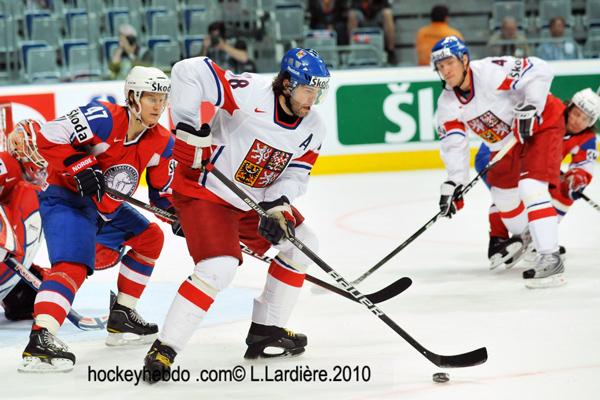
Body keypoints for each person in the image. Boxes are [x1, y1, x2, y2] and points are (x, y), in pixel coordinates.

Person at [142, 48, 330, 382]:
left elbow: (294, 174)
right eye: (306, 89)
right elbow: (188, 70)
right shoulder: (250, 92)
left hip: (252, 201)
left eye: (317, 91)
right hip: (206, 192)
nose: (311, 99)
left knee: (303, 244)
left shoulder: (314, 127)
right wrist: (188, 126)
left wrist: (278, 208)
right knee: (219, 267)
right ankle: (165, 348)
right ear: (287, 83)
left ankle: (267, 331)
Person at [19, 66, 177, 373]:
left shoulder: (161, 140)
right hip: (67, 198)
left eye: (162, 99)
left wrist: (177, 215)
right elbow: (48, 135)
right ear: (133, 98)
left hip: (107, 210)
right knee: (72, 266)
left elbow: (160, 195)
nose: (158, 106)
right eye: (151, 98)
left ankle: (123, 316)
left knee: (150, 237)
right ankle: (41, 337)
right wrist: (80, 165)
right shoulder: (103, 118)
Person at [431, 36, 566, 289]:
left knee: (531, 187)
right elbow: (454, 144)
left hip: (541, 124)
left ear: (464, 59)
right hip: (505, 145)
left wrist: (531, 106)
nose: (445, 71)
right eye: (440, 67)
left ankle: (551, 257)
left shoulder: (490, 72)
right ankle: (533, 236)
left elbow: (539, 69)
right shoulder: (447, 104)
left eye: (449, 63)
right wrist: (454, 182)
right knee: (504, 200)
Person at [475, 88, 600, 267]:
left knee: (563, 189)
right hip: (497, 154)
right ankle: (498, 240)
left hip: (525, 161)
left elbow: (583, 165)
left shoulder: (586, 138)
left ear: (591, 123)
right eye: (576, 114)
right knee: (510, 194)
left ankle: (537, 236)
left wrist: (577, 178)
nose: (577, 121)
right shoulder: (552, 113)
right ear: (569, 107)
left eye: (585, 119)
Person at [0, 119, 48, 321]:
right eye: (34, 150)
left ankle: (16, 294)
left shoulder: (26, 178)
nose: (40, 158)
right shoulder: (6, 163)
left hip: (7, 253)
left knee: (31, 297)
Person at [347, 0, 397, 64]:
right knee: (352, 14)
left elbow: (386, 6)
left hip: (376, 17)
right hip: (362, 17)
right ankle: (352, 51)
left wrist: (371, 6)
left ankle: (391, 51)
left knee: (387, 13)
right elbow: (353, 6)